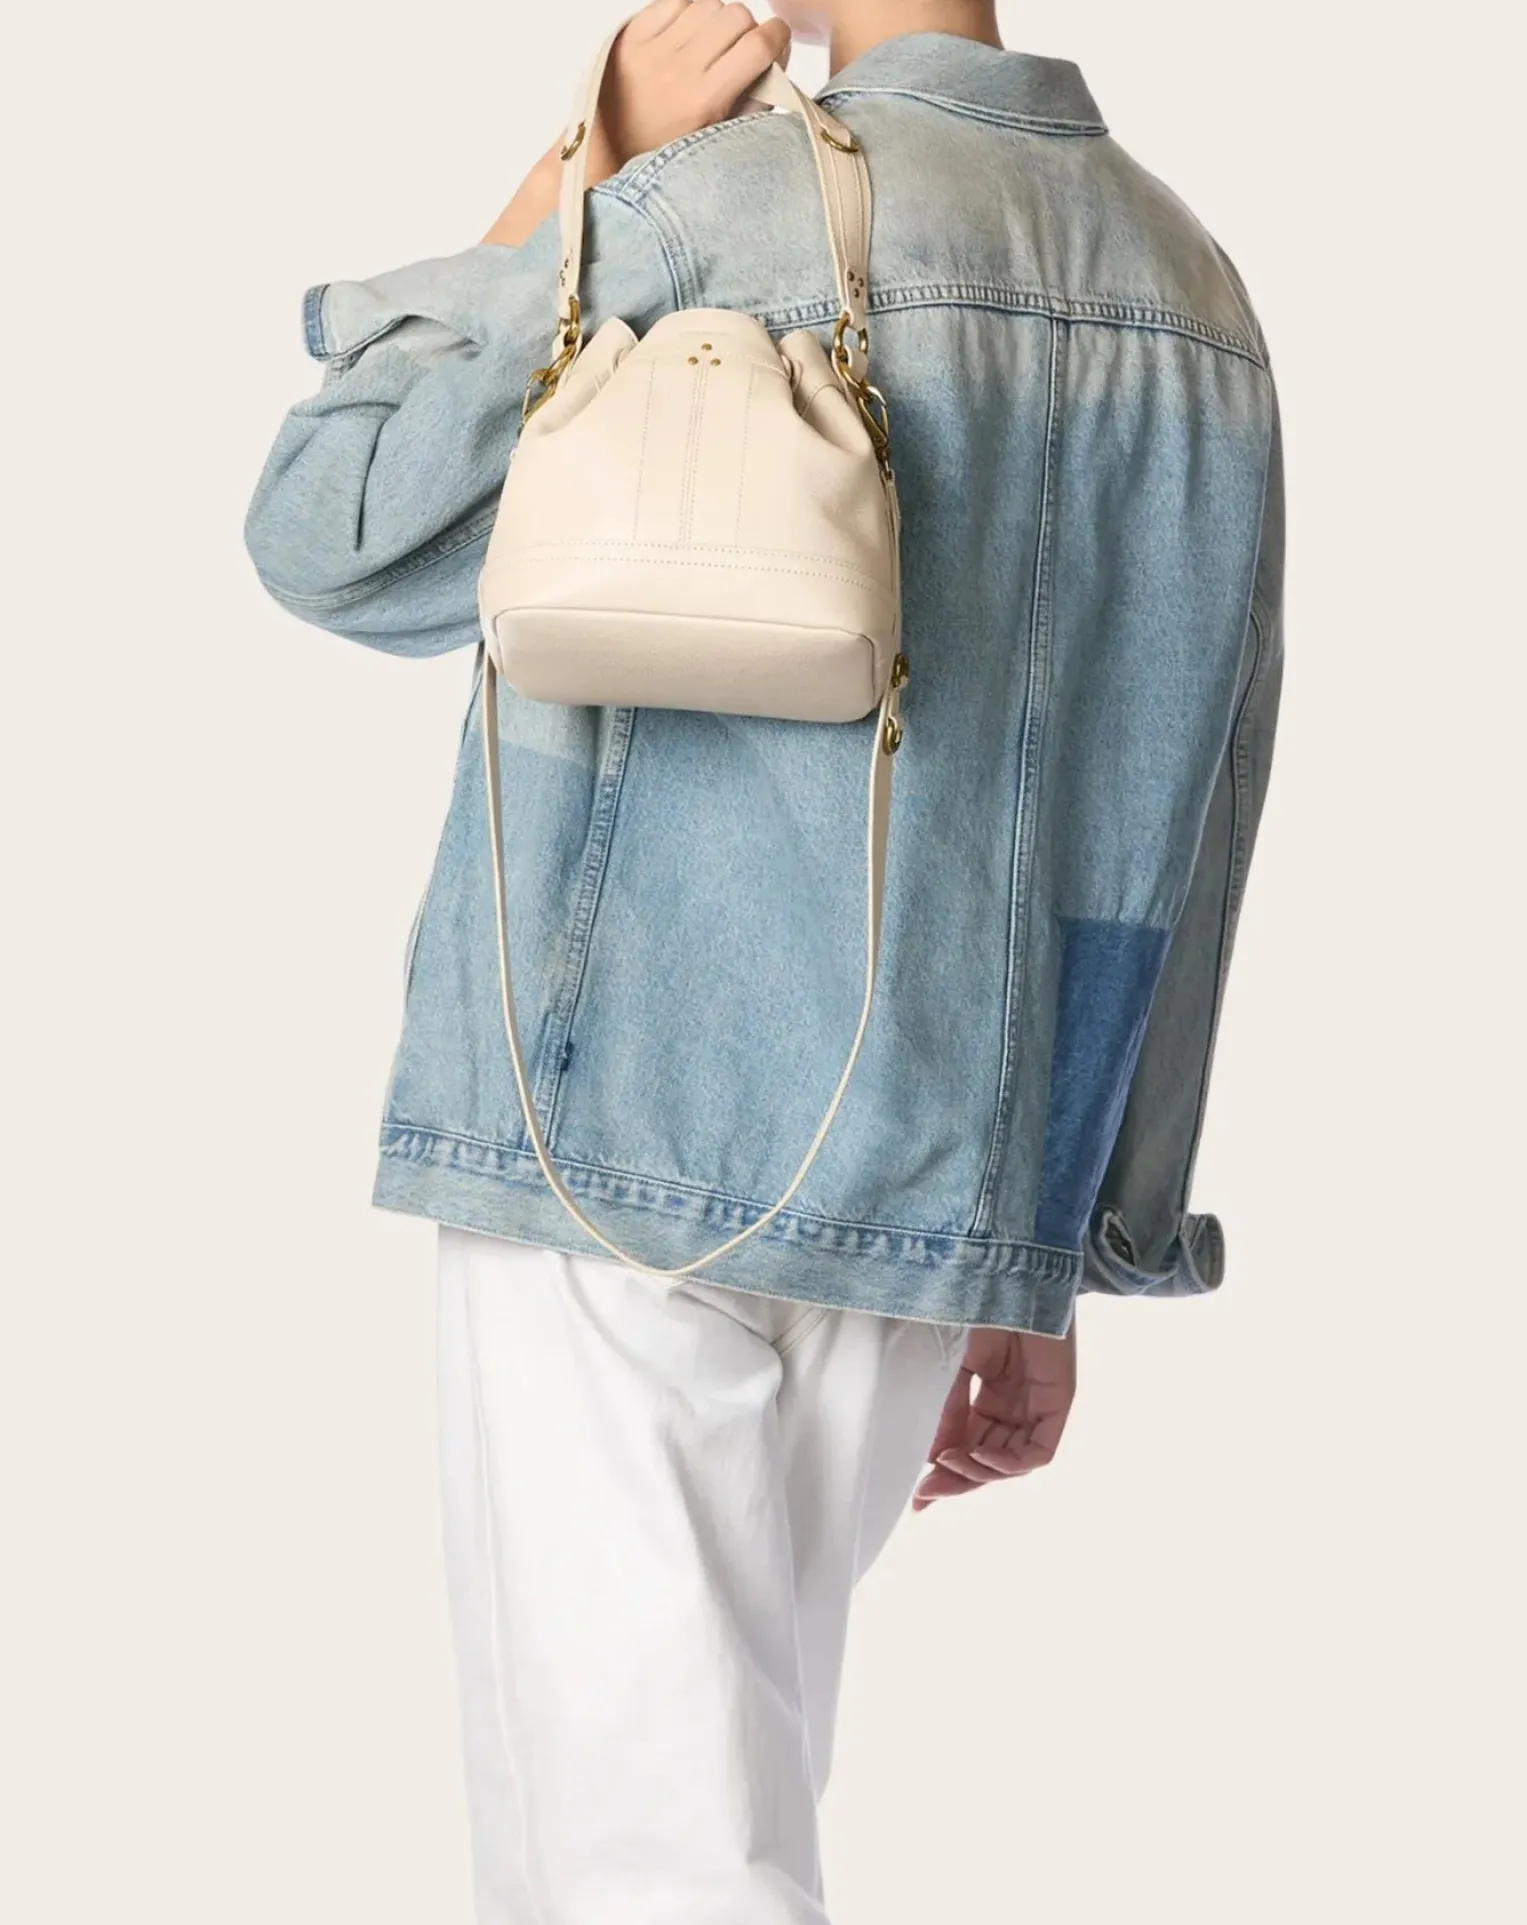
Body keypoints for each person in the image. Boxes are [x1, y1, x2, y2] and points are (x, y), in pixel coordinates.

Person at [244, 1, 1284, 1916]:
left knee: (637, 1852)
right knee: (673, 1825)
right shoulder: (1190, 288)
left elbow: (334, 532)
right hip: (927, 1179)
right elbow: (1175, 818)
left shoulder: (703, 209)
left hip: (614, 1134)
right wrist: (1059, 1234)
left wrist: (581, 175)